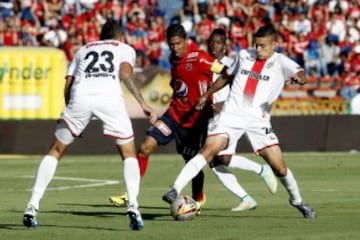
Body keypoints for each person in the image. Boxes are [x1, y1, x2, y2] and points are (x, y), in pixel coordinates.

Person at [109, 26, 278, 212]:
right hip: (174, 115)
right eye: (171, 44)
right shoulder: (173, 58)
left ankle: (199, 198)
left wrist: (217, 98)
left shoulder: (200, 57)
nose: (175, 48)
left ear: (186, 40)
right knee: (145, 147)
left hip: (197, 120)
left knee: (196, 161)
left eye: (178, 44)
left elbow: (226, 73)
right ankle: (130, 195)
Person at [162, 24, 317, 219]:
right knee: (209, 151)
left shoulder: (282, 62)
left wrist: (299, 79)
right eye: (257, 45)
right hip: (231, 115)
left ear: (274, 45)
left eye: (263, 46)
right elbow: (226, 76)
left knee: (280, 168)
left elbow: (302, 75)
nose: (258, 50)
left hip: (258, 122)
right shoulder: (244, 55)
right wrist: (207, 95)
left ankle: (298, 201)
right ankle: (174, 189)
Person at [22, 20, 157, 231]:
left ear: (101, 36)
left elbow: (67, 85)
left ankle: (32, 205)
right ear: (120, 37)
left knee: (55, 150)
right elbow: (125, 75)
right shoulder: (124, 48)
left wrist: (72, 113)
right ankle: (133, 205)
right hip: (109, 98)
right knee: (129, 154)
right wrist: (142, 103)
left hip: (80, 97)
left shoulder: (83, 49)